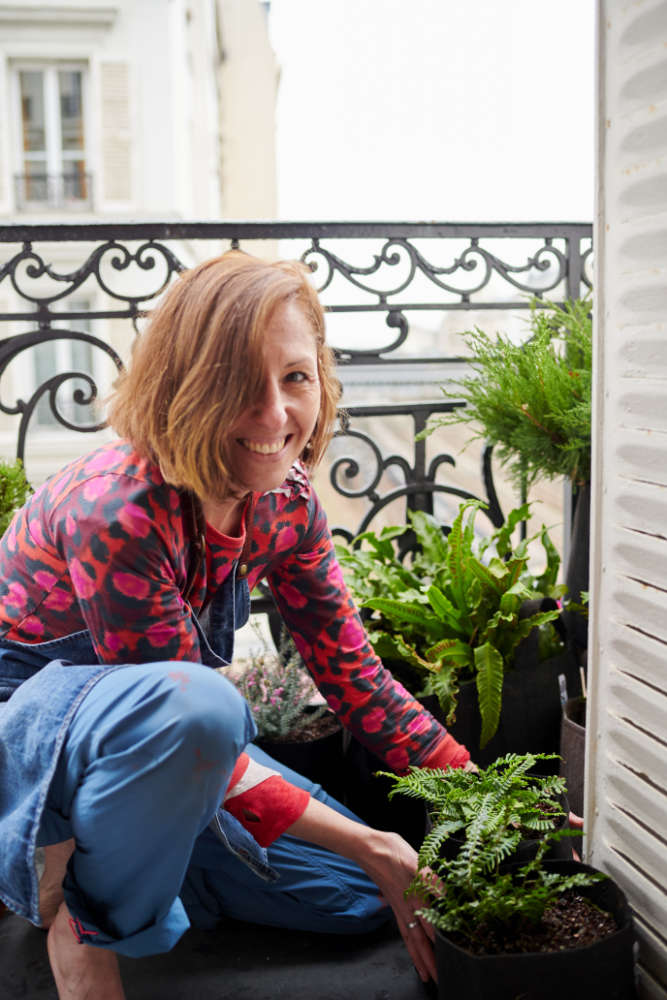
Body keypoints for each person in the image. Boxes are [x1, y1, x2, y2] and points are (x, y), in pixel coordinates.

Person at [0, 251, 474, 1000]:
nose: (273, 415)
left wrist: (482, 794)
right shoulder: (118, 512)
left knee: (358, 898)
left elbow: (353, 675)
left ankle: (120, 864)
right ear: (182, 385)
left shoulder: (286, 504)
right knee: (203, 708)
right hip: (28, 745)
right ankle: (79, 921)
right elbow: (177, 717)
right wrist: (374, 841)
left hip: (156, 754)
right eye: (236, 383)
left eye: (294, 377)